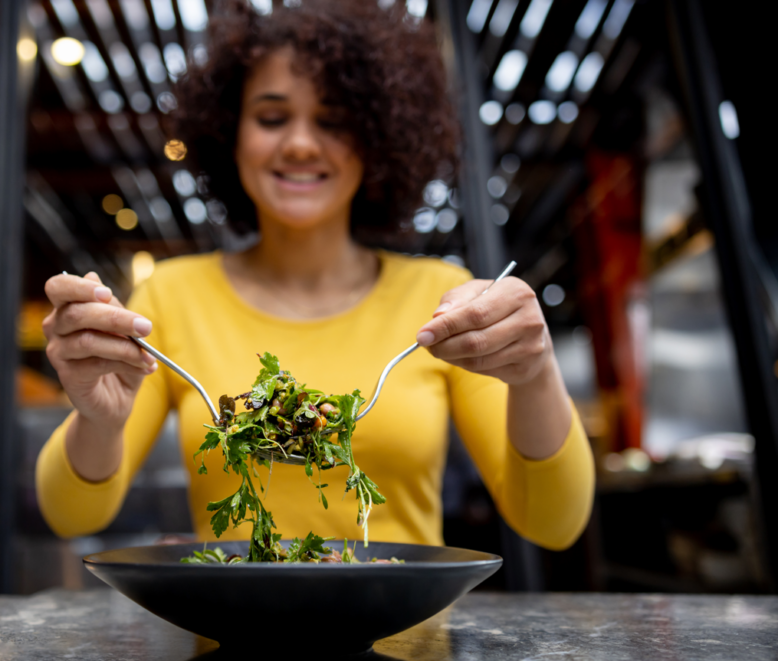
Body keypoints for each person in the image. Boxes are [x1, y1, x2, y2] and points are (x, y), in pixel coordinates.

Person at [36, 0, 594, 551]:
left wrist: (535, 370)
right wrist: (100, 420)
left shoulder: (440, 299)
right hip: (231, 635)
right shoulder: (173, 296)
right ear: (231, 134)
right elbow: (69, 515)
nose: (301, 143)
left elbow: (552, 523)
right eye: (272, 117)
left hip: (403, 636)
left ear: (377, 139)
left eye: (333, 120)